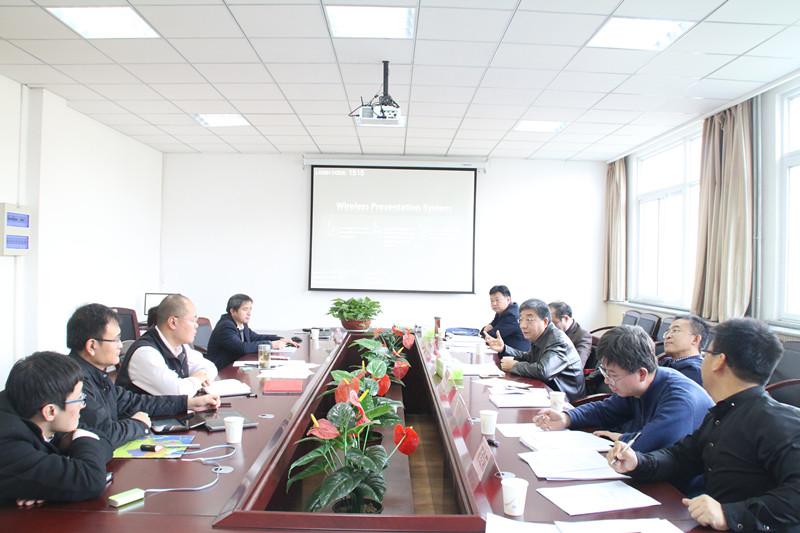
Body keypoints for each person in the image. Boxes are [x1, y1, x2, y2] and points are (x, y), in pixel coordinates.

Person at [608, 318, 800, 532]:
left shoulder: (778, 421)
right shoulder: (722, 413)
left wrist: (730, 514)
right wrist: (639, 462)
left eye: (705, 353)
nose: (702, 360)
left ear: (719, 361)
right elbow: (681, 457)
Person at [534, 324, 713, 454]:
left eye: (613, 375)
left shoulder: (679, 399)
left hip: (682, 487)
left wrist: (620, 437)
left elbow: (649, 443)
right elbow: (606, 410)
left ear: (641, 373)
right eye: (605, 372)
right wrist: (567, 418)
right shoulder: (639, 385)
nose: (607, 380)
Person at [66, 303, 220, 448]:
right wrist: (139, 424)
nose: (121, 345)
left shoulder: (97, 375)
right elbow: (104, 434)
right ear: (92, 346)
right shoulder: (74, 382)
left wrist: (188, 403)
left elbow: (135, 402)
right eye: (116, 340)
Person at [0, 352, 111, 506]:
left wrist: (48, 486)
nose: (83, 405)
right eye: (79, 399)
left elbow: (103, 441)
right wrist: (50, 486)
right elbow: (92, 479)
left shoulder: (32, 405)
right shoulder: (8, 440)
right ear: (50, 411)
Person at [117, 294, 218, 396]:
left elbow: (210, 367)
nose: (196, 325)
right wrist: (197, 379)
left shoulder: (180, 347)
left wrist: (197, 378)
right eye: (193, 320)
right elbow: (177, 392)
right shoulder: (145, 353)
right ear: (173, 322)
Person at [484, 298, 584, 401]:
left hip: (565, 400)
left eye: (529, 319)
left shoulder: (558, 340)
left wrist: (514, 366)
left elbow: (544, 371)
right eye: (521, 320)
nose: (523, 326)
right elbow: (529, 357)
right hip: (545, 391)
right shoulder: (541, 335)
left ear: (545, 321)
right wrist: (504, 348)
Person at [206, 293, 298, 370]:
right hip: (222, 371)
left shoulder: (241, 323)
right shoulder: (226, 326)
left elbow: (255, 337)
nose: (249, 313)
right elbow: (242, 347)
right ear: (233, 311)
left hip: (236, 365)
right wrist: (271, 344)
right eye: (245, 309)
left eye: (250, 309)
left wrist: (279, 339)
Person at [658, 315, 708, 385]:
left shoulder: (694, 371)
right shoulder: (668, 361)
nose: (668, 336)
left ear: (695, 339)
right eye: (668, 331)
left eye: (675, 330)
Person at [481, 285, 530, 352]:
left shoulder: (511, 315)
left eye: (497, 300)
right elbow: (490, 327)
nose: (494, 303)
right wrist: (485, 330)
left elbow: (492, 335)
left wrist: (484, 331)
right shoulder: (502, 311)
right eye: (492, 301)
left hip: (516, 354)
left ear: (508, 299)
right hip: (505, 350)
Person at [548, 301, 593, 367]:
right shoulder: (550, 331)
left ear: (565, 318)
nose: (549, 327)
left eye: (553, 323)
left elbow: (577, 365)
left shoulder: (583, 336)